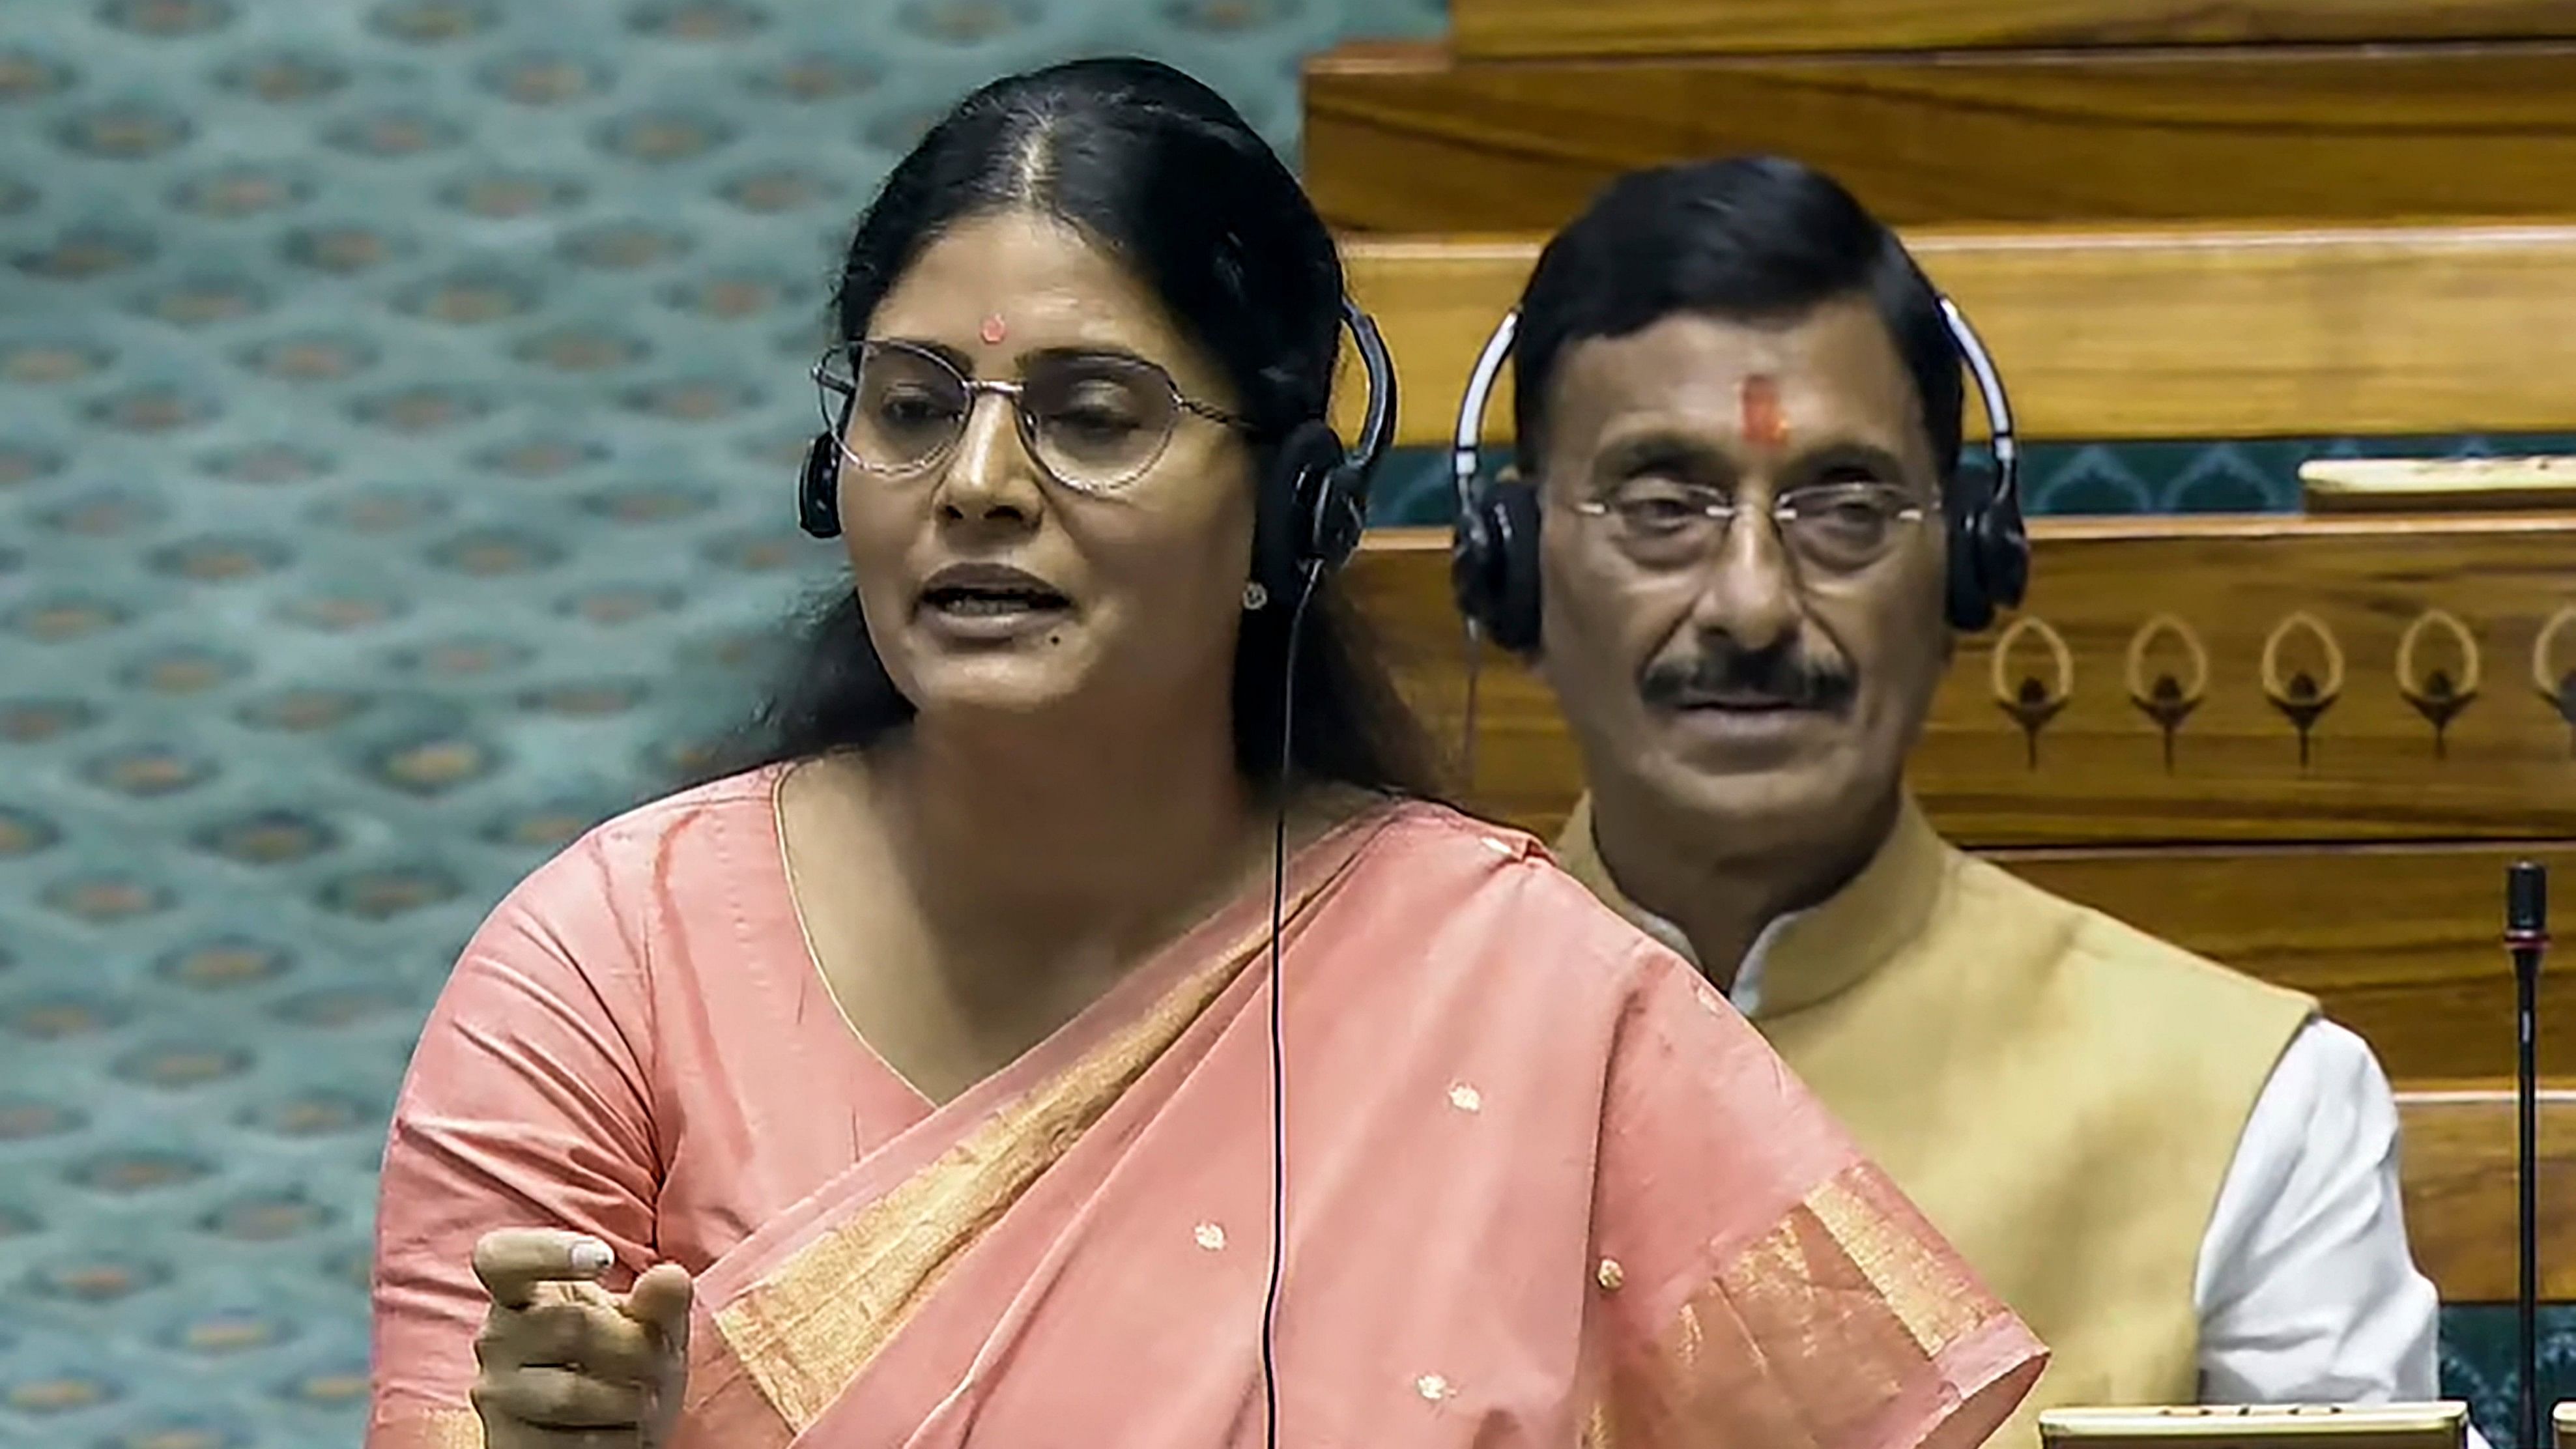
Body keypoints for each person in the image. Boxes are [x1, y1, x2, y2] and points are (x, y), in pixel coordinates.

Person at [365, 64, 2044, 1449]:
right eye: (913, 405)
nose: (979, 482)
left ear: (1291, 509)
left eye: (1094, 414)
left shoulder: (1523, 989)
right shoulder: (607, 966)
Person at [1455, 154, 2457, 1446]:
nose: (1752, 603)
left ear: (1966, 563)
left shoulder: (2248, 1103)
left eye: (1844, 508)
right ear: (1518, 562)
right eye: (1664, 507)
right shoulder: (1337, 1072)